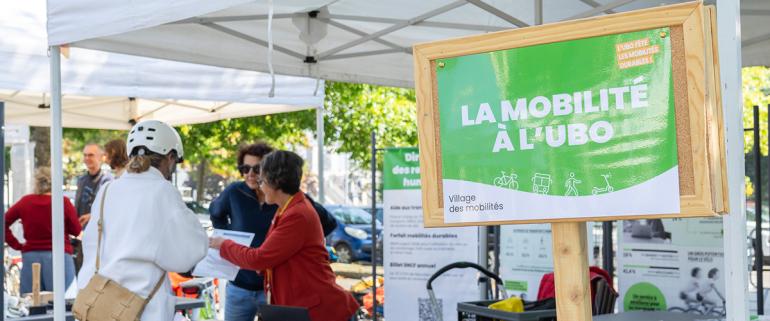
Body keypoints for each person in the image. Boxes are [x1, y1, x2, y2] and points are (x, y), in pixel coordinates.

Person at [77, 120, 208, 321]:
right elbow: (187, 255)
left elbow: (92, 245)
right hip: (142, 309)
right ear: (170, 157)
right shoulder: (163, 191)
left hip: (101, 304)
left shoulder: (108, 190)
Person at [210, 151, 358, 321]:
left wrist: (223, 245)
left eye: (262, 180)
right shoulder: (286, 208)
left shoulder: (297, 215)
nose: (261, 187)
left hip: (320, 310)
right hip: (302, 306)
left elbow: (259, 258)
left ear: (276, 182)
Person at [4, 167, 81, 294]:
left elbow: (4, 222)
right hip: (59, 256)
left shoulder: (25, 202)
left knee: (32, 303)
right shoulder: (63, 202)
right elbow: (76, 230)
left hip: (31, 256)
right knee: (64, 302)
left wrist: (16, 245)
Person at [72, 143, 112, 272]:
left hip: (98, 237)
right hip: (80, 237)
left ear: (101, 157)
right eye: (85, 155)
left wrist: (91, 216)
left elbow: (109, 208)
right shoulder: (81, 180)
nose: (87, 158)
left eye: (91, 155)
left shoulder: (108, 181)